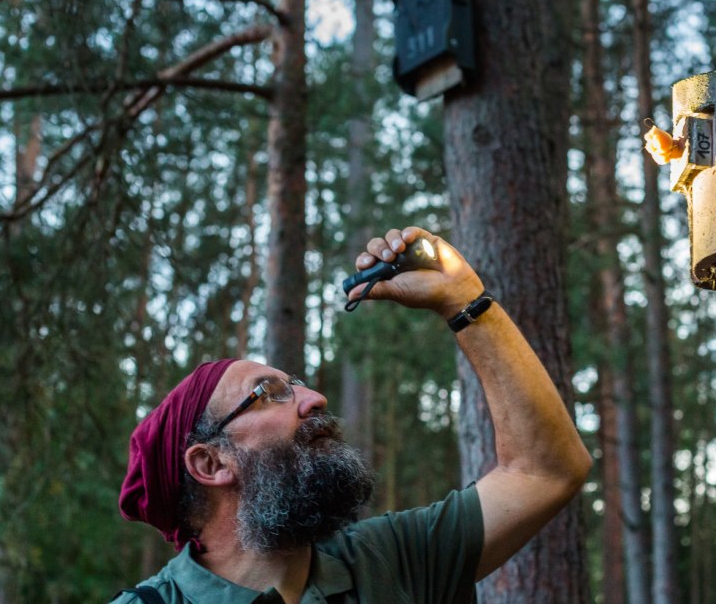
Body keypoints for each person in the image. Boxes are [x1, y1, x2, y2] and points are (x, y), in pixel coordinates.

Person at [112, 226, 592, 604]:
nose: (314, 398)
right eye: (269, 392)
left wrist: (463, 298)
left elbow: (545, 471)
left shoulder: (393, 560)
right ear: (210, 464)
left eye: (297, 384)